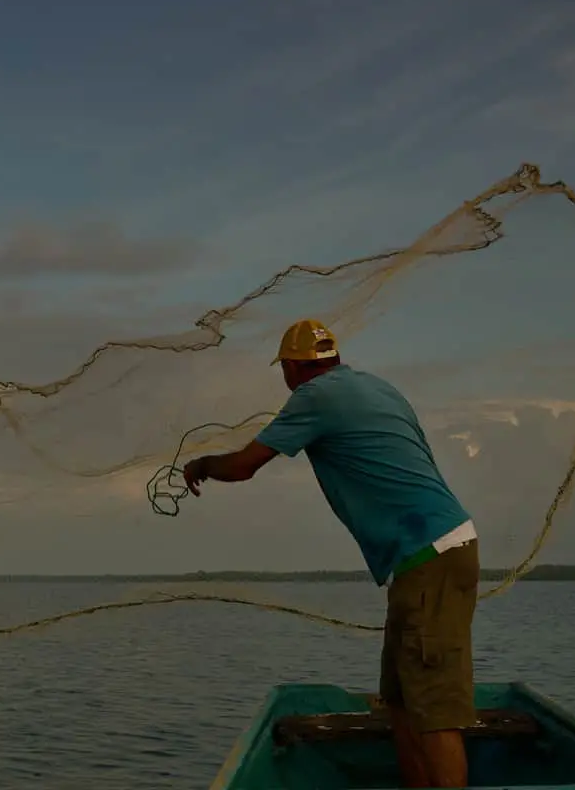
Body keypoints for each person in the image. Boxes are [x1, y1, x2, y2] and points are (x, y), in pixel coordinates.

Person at [183, 319, 479, 789]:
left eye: (285, 369)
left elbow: (244, 466)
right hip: (430, 555)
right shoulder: (378, 388)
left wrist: (200, 465)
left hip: (431, 555)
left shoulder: (315, 397)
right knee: (401, 700)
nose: (285, 378)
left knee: (436, 709)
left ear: (298, 367)